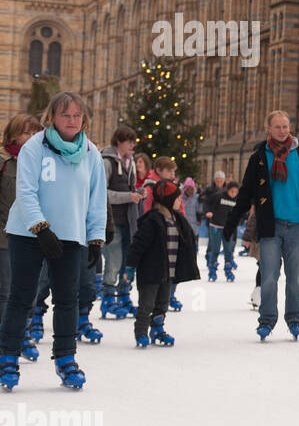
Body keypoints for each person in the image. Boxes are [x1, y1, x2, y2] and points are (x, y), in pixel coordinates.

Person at [0, 92, 106, 392]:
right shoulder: (36, 147)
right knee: (22, 295)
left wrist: (96, 238)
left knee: (67, 299)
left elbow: (96, 199)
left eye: (76, 115)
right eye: (65, 115)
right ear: (52, 118)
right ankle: (8, 354)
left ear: (83, 118)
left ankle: (65, 358)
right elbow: (26, 191)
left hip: (70, 234)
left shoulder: (90, 152)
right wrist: (41, 228)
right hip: (28, 233)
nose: (71, 121)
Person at [224, 111, 299, 342]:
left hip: (297, 225)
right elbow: (246, 191)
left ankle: (295, 318)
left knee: (295, 277)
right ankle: (266, 320)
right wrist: (232, 220)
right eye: (277, 127)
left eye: (285, 126)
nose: (282, 131)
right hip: (271, 225)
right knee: (268, 276)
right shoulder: (259, 156)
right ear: (269, 129)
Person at [123, 180, 199, 349]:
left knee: (163, 303)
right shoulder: (152, 220)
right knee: (146, 304)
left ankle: (157, 329)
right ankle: (141, 332)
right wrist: (130, 266)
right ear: (167, 200)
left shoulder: (177, 219)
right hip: (151, 271)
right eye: (177, 198)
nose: (180, 201)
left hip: (168, 271)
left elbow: (187, 240)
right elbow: (138, 245)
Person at [0, 114, 43, 313]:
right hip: (5, 238)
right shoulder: (4, 164)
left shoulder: (44, 164)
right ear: (14, 136)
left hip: (34, 236)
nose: (32, 137)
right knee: (7, 291)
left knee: (30, 290)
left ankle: (21, 332)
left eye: (36, 132)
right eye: (27, 132)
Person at [100, 127, 143, 319]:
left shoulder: (130, 162)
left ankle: (124, 296)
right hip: (111, 221)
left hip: (128, 220)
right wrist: (128, 196)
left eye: (134, 142)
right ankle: (108, 299)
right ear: (119, 142)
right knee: (114, 261)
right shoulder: (107, 161)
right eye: (129, 141)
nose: (132, 145)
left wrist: (139, 194)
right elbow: (101, 193)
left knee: (127, 261)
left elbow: (131, 188)